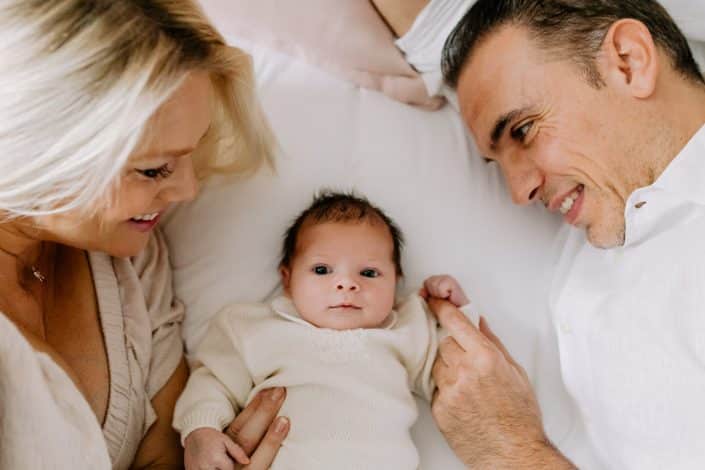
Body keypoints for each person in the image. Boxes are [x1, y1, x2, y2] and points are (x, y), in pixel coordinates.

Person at [404, 0, 705, 468]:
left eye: (523, 131)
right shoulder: (612, 198)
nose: (519, 192)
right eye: (496, 161)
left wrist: (509, 450)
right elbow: (424, 26)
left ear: (628, 62)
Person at [0, 1, 289, 468]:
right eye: (154, 170)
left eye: (189, 157)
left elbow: (166, 457)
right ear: (42, 148)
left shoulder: (129, 263)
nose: (188, 190)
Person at [173, 191, 471, 470]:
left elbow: (460, 368)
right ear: (287, 279)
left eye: (368, 273)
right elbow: (214, 382)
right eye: (321, 270)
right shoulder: (252, 328)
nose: (346, 284)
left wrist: (456, 308)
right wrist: (202, 429)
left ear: (396, 282)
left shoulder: (407, 329)